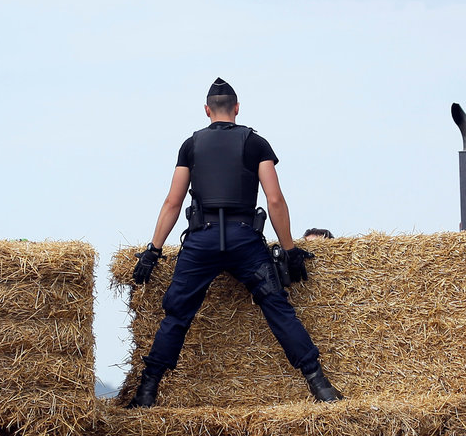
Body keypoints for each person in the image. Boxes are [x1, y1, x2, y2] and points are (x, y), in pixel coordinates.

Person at [127, 78, 343, 408]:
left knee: (176, 315)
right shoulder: (256, 143)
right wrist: (289, 249)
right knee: (277, 307)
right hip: (244, 241)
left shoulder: (190, 145)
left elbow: (173, 202)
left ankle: (147, 391)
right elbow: (274, 199)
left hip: (202, 241)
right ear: (237, 109)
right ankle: (320, 385)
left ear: (206, 110)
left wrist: (153, 251)